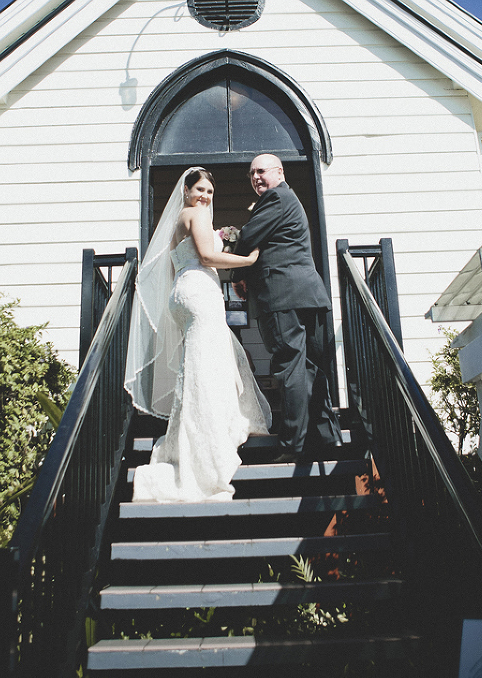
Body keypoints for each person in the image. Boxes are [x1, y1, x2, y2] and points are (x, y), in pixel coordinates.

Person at [124, 167, 270, 502]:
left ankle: (196, 438)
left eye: (209, 192)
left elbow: (182, 262)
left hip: (184, 292)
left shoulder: (179, 219)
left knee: (200, 369)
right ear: (186, 191)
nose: (205, 197)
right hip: (200, 295)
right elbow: (206, 256)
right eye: (199, 190)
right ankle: (205, 455)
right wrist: (247, 260)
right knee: (207, 371)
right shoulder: (196, 214)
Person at [234, 155, 343, 461]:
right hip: (306, 294)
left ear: (279, 172)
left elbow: (248, 237)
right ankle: (327, 435)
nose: (255, 177)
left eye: (261, 171)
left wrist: (240, 273)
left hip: (283, 296)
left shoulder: (276, 197)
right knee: (308, 367)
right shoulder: (287, 198)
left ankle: (293, 445)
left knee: (290, 366)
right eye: (251, 173)